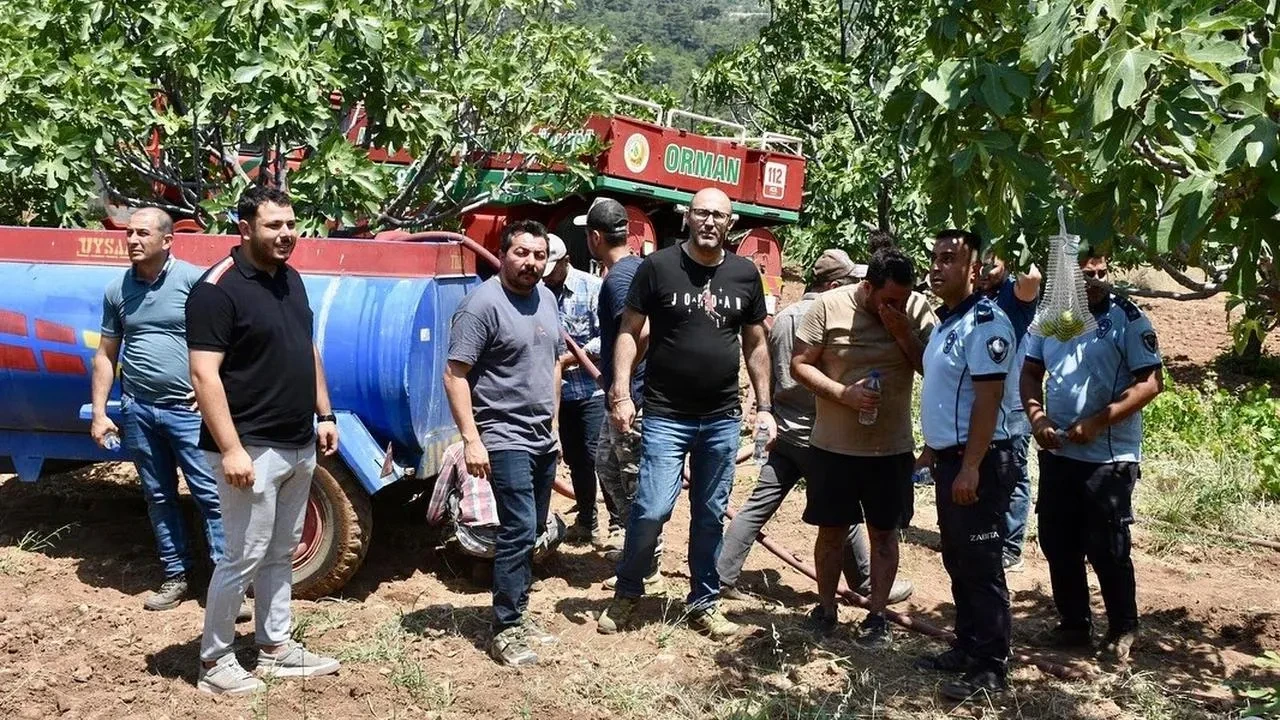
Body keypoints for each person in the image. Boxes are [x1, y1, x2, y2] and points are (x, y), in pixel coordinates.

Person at [598, 187, 774, 640]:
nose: (710, 221)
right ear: (687, 218)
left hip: (721, 417)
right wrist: (620, 390)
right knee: (653, 508)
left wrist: (765, 406)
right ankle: (628, 592)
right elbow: (628, 332)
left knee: (710, 513)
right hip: (665, 414)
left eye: (718, 215)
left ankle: (704, 603)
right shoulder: (657, 268)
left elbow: (755, 344)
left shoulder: (744, 275)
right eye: (701, 213)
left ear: (731, 223)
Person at [187, 187, 341, 695]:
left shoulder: (291, 280)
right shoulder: (217, 289)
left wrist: (325, 412)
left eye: (291, 223)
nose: (286, 234)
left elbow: (307, 349)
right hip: (251, 447)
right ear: (245, 227)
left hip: (298, 441)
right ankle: (215, 660)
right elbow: (205, 376)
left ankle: (275, 647)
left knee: (282, 551)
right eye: (274, 225)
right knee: (242, 556)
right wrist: (230, 448)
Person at [718, 249, 916, 610]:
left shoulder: (781, 319)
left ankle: (721, 574)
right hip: (817, 432)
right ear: (835, 284)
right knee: (844, 519)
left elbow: (777, 371)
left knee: (759, 506)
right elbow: (809, 372)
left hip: (783, 428)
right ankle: (867, 583)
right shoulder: (821, 314)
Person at [89, 208, 249, 617]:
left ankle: (224, 584)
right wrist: (101, 413)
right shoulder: (116, 290)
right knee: (158, 495)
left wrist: (216, 391)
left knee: (211, 496)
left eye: (142, 233)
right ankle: (175, 574)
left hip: (188, 412)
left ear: (167, 240)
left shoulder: (195, 282)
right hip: (139, 409)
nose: (132, 241)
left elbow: (230, 340)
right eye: (129, 233)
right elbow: (106, 355)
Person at [1020, 249, 1162, 662]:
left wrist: (1100, 422)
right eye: (1088, 275)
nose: (1098, 280)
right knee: (1057, 541)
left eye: (1103, 272)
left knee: (1107, 545)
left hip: (1109, 458)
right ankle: (1073, 625)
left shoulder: (1128, 319)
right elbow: (1030, 372)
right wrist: (1037, 416)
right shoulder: (1050, 318)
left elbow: (1151, 383)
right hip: (1059, 450)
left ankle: (1123, 627)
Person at [791, 247, 936, 648]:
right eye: (888, 299)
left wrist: (903, 333)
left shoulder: (917, 310)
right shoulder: (828, 306)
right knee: (831, 532)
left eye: (903, 299)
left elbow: (933, 369)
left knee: (884, 536)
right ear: (866, 286)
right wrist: (843, 394)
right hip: (833, 448)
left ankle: (877, 616)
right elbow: (799, 364)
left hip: (890, 450)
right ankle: (825, 610)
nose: (897, 306)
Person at [444, 219, 565, 666]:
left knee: (532, 529)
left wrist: (554, 426)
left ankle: (517, 609)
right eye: (522, 253)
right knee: (517, 529)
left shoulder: (548, 299)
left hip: (540, 436)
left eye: (539, 255)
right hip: (502, 433)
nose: (531, 263)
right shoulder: (482, 306)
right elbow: (454, 375)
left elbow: (553, 362)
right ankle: (506, 626)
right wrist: (471, 440)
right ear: (503, 253)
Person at [913, 229, 1021, 699]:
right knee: (958, 557)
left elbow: (988, 399)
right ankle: (966, 644)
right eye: (935, 258)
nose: (938, 266)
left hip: (979, 460)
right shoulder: (947, 323)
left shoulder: (986, 324)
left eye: (950, 259)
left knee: (981, 562)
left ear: (974, 271)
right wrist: (932, 450)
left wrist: (972, 466)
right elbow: (946, 399)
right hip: (951, 458)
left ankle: (991, 666)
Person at [581, 198, 663, 590]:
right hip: (625, 394)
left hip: (632, 400)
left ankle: (647, 564)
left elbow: (641, 332)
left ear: (595, 237)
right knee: (606, 466)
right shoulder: (630, 268)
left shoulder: (618, 280)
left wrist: (621, 389)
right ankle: (637, 546)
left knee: (632, 481)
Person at [542, 233, 612, 544]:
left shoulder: (592, 288)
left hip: (590, 392)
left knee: (601, 457)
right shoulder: (540, 293)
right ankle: (587, 519)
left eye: (552, 269)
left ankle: (618, 524)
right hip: (559, 395)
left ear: (566, 261)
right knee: (575, 459)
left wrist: (570, 359)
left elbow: (606, 336)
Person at [976, 253, 1042, 572]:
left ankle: (1011, 546)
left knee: (1013, 473)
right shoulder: (975, 296)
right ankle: (986, 536)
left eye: (993, 264)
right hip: (980, 403)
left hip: (1013, 403)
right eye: (980, 264)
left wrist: (1018, 243)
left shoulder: (1013, 294)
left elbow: (1033, 278)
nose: (985, 271)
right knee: (985, 469)